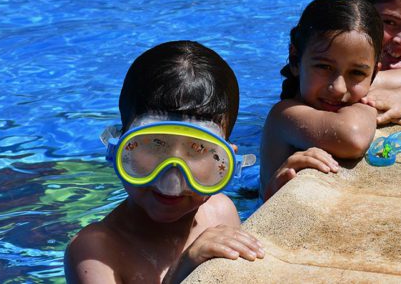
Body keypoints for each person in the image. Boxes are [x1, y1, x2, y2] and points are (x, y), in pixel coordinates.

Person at [64, 41, 264, 284]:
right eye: (155, 145)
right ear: (118, 149)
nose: (172, 182)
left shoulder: (221, 212)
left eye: (199, 149)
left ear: (226, 160)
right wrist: (184, 267)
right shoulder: (95, 251)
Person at [259, 0, 401, 200]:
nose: (338, 87)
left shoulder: (362, 85)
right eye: (323, 66)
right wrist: (368, 106)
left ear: (374, 73)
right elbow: (352, 137)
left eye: (357, 73)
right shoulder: (283, 115)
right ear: (295, 59)